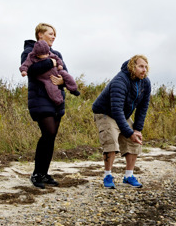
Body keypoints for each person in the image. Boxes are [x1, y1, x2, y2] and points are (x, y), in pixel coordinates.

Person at [21, 23, 72, 189]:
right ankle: (36, 173)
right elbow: (31, 70)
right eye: (50, 34)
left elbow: (66, 73)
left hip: (57, 100)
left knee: (51, 137)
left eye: (54, 34)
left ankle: (44, 173)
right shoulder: (29, 51)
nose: (53, 37)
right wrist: (50, 63)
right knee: (48, 132)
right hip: (40, 99)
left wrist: (63, 81)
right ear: (40, 35)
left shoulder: (57, 54)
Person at [92, 55, 151, 189]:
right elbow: (116, 109)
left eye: (146, 67)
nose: (144, 70)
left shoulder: (145, 83)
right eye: (141, 66)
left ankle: (128, 176)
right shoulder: (120, 80)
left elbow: (143, 108)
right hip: (105, 112)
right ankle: (107, 175)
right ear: (132, 66)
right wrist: (128, 132)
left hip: (122, 114)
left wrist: (136, 129)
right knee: (111, 141)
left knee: (135, 140)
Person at [20, 40, 80, 105]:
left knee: (67, 76)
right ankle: (58, 100)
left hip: (57, 71)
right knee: (51, 89)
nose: (45, 56)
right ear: (37, 54)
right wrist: (23, 71)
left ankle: (73, 89)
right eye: (42, 55)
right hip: (46, 78)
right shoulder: (31, 56)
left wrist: (60, 65)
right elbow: (26, 64)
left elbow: (57, 59)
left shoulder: (51, 54)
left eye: (46, 54)